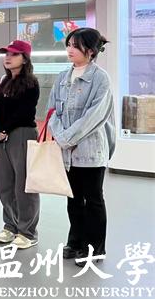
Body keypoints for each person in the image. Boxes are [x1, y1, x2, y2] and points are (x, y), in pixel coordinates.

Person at [47, 27, 115, 267]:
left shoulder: (100, 78)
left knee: (93, 199)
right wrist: (61, 137)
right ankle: (76, 241)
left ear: (92, 50)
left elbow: (94, 116)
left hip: (90, 150)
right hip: (67, 151)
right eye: (68, 45)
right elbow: (52, 111)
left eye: (76, 46)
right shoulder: (62, 77)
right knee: (73, 199)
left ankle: (95, 248)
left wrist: (67, 138)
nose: (70, 50)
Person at [0, 40, 40, 249]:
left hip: (22, 134)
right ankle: (10, 225)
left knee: (24, 186)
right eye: (6, 54)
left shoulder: (31, 83)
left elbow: (24, 112)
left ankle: (27, 232)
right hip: (3, 137)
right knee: (5, 184)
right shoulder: (4, 81)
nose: (8, 58)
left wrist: (5, 129)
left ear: (25, 59)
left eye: (14, 54)